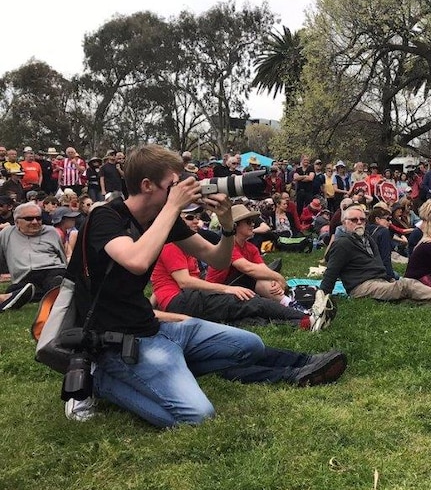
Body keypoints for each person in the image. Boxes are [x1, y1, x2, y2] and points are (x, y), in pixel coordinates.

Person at [63, 144, 322, 428]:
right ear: (147, 185)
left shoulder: (164, 218)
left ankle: (177, 369)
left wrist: (226, 226)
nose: (184, 192)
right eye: (174, 185)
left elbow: (217, 259)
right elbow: (136, 260)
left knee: (250, 344)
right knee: (197, 415)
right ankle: (101, 380)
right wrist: (173, 206)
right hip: (116, 341)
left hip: (155, 327)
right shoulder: (106, 217)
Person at [151, 204, 326, 330]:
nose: (196, 221)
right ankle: (307, 316)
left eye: (197, 217)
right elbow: (184, 282)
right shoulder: (172, 244)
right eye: (190, 218)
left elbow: (160, 286)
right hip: (189, 297)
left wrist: (150, 308)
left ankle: (303, 322)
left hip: (190, 298)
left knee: (240, 319)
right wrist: (229, 290)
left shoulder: (185, 245)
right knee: (252, 303)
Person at [320, 205, 431, 308]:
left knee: (406, 299)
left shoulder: (367, 239)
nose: (359, 223)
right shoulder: (342, 244)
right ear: (344, 222)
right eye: (354, 220)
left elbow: (380, 264)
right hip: (361, 286)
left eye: (362, 219)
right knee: (407, 285)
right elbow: (331, 272)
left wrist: (389, 278)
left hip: (380, 281)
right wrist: (321, 299)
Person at [0, 202, 67, 311]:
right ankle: (53, 292)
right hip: (25, 274)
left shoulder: (51, 232)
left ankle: (54, 289)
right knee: (20, 288)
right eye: (29, 219)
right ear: (17, 222)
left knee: (56, 279)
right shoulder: (7, 234)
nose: (35, 222)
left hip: (52, 268)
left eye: (38, 218)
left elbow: (62, 256)